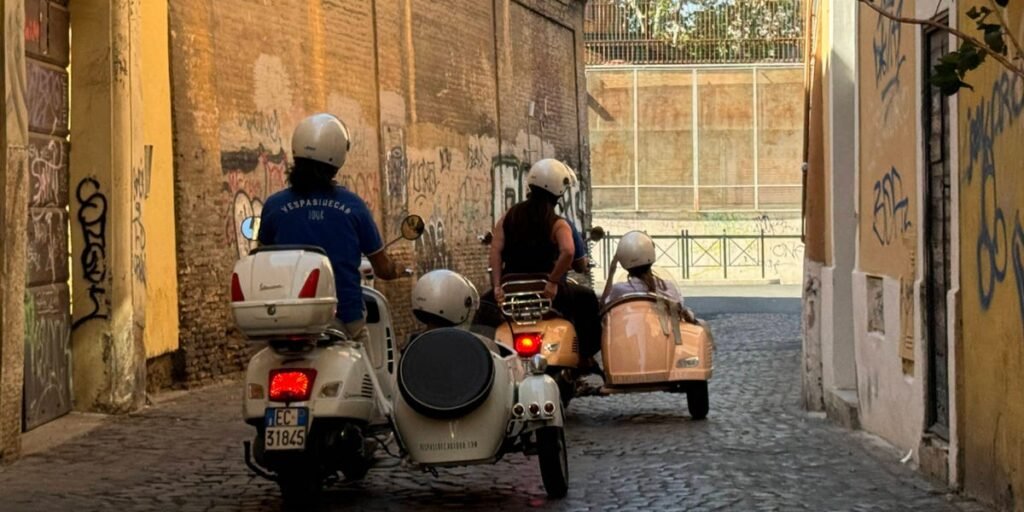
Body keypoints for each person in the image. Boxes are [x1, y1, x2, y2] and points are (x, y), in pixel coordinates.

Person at [257, 113, 403, 343]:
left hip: (284, 322)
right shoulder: (353, 206)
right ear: (337, 158)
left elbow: (261, 260)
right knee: (369, 373)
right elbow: (383, 268)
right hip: (344, 318)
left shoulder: (274, 206)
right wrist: (396, 269)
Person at [479, 158, 603, 368]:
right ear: (558, 191)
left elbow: (495, 251)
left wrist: (498, 286)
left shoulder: (508, 217)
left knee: (483, 310)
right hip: (547, 294)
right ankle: (584, 356)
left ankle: (481, 361)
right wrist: (553, 281)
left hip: (511, 292)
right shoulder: (557, 223)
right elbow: (569, 251)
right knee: (588, 299)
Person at [601, 230, 695, 323]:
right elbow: (679, 309)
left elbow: (604, 307)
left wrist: (611, 273)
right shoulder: (667, 286)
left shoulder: (619, 290)